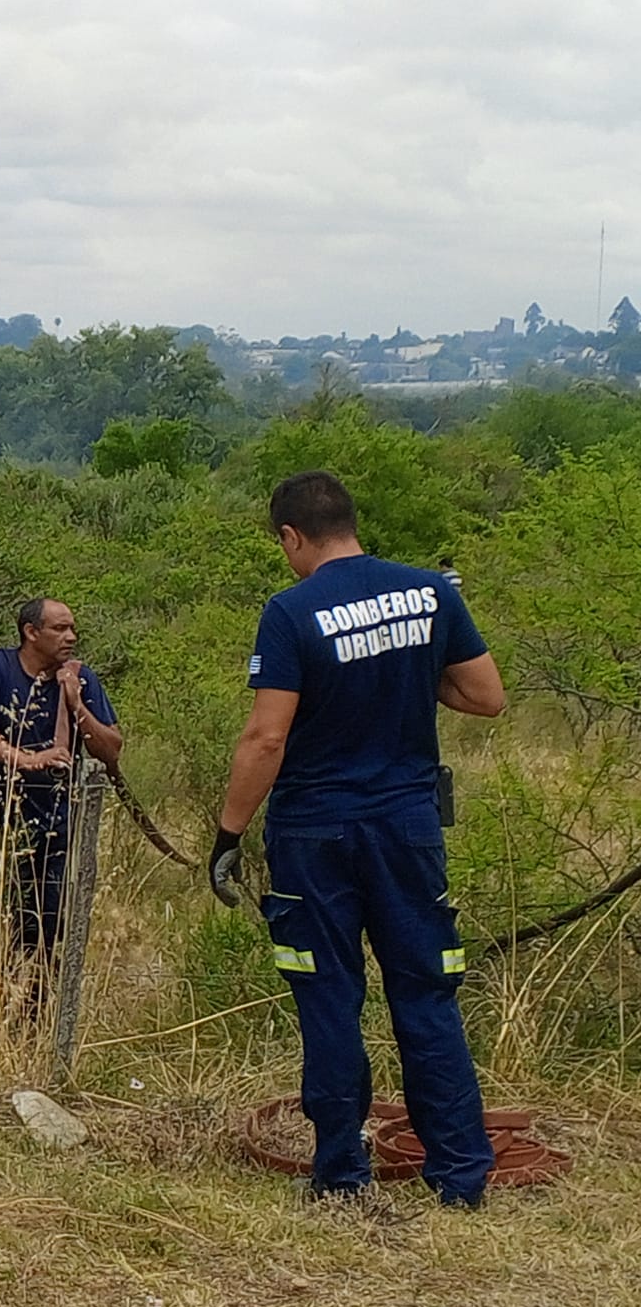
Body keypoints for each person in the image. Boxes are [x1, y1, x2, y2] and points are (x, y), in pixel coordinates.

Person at [212, 470, 507, 1208]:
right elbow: (486, 697)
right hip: (408, 829)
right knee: (427, 995)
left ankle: (342, 1174)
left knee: (329, 998)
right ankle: (461, 1176)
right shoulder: (431, 593)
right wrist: (405, 665)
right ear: (350, 520)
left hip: (315, 835)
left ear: (292, 536)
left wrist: (228, 834)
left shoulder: (290, 612)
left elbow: (266, 738)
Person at [0, 598, 123, 986]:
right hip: (2, 820)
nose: (71, 637)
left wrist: (76, 703)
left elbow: (111, 748)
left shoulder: (80, 677)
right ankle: (4, 1000)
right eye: (60, 629)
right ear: (31, 632)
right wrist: (28, 760)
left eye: (73, 628)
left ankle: (38, 1006)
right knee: (8, 921)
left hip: (60, 825)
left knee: (52, 925)